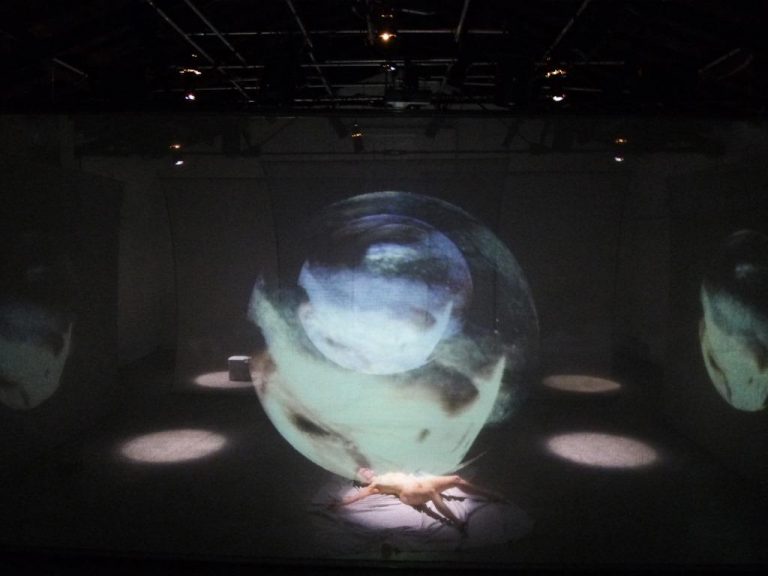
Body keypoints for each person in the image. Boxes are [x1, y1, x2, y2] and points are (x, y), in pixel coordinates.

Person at [328, 467, 506, 531]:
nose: (366, 471)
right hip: (408, 494)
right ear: (363, 479)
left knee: (456, 479)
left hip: (419, 483)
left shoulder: (387, 472)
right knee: (431, 492)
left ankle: (492, 495)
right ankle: (457, 522)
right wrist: (341, 503)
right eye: (362, 472)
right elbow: (359, 495)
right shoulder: (373, 485)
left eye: (366, 469)